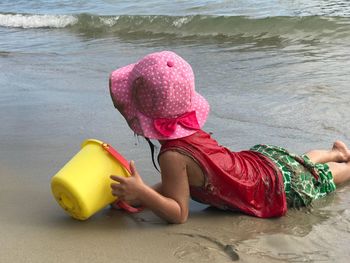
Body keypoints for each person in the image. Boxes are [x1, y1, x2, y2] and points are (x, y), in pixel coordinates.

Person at [108, 51, 350, 224]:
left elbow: (179, 213)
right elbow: (177, 183)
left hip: (269, 188)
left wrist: (142, 194)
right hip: (257, 164)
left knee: (322, 177)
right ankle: (336, 152)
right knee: (296, 161)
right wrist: (142, 195)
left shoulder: (172, 156)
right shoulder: (187, 127)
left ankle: (343, 163)